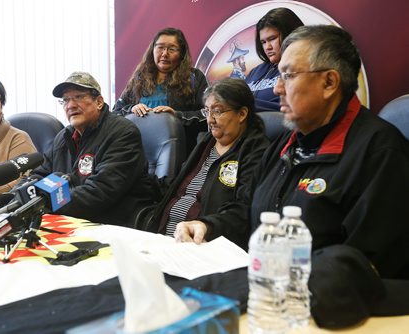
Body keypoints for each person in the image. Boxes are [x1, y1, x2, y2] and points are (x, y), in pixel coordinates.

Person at [175, 25, 409, 279]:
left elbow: (368, 268)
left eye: (287, 75)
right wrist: (208, 226)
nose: (277, 89)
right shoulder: (284, 144)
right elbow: (246, 212)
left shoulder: (380, 152)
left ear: (329, 82)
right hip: (263, 288)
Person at [140, 78, 269, 247]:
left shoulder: (256, 151)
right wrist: (137, 179)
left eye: (217, 111)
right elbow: (178, 187)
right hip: (164, 236)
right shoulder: (205, 142)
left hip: (203, 244)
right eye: (206, 111)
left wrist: (206, 225)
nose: (209, 120)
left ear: (242, 114)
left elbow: (243, 210)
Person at [32, 71, 155, 226]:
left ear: (99, 102)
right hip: (70, 220)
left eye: (78, 97)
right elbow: (40, 174)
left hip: (112, 224)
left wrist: (46, 199)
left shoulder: (122, 132)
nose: (70, 105)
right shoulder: (63, 137)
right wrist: (23, 194)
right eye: (65, 100)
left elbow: (99, 193)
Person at [113, 27, 209, 153]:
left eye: (172, 49)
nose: (164, 53)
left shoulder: (194, 78)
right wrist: (131, 109)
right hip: (136, 152)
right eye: (160, 47)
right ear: (152, 50)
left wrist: (177, 116)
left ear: (181, 53)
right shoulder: (140, 78)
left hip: (178, 153)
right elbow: (115, 112)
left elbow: (208, 115)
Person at [245, 7, 304, 112]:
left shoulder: (304, 67)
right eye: (263, 42)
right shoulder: (255, 71)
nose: (267, 47)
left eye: (272, 39)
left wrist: (242, 104)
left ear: (290, 35)